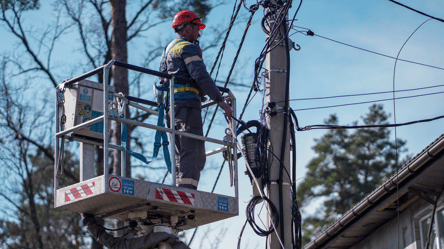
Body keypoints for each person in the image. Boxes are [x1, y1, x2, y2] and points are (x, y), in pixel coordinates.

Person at [158, 10, 233, 190]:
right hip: (187, 106)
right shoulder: (187, 46)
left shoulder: (168, 49)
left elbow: (161, 81)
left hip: (172, 107)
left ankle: (179, 188)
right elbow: (200, 75)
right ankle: (187, 192)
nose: (199, 33)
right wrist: (220, 101)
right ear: (188, 28)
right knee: (194, 150)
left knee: (180, 150)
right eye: (197, 28)